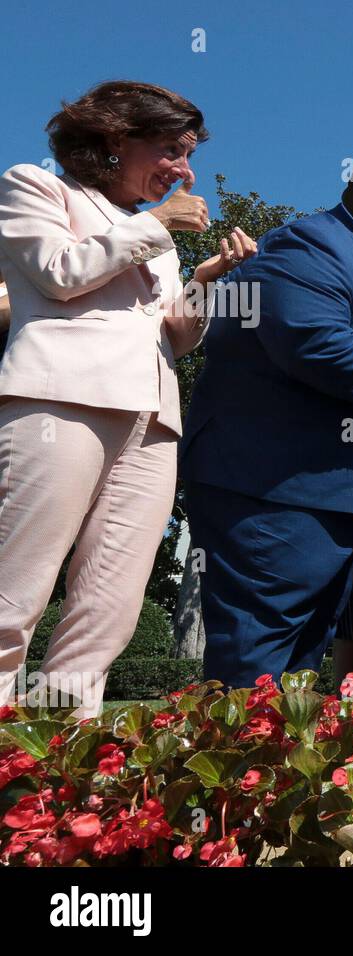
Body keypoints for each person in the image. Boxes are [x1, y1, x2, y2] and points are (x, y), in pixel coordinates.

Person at [0, 81, 252, 713]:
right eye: (170, 149)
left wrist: (203, 283)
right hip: (60, 403)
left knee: (107, 610)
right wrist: (155, 226)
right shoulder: (37, 185)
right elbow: (59, 274)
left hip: (153, 423)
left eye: (187, 155)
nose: (184, 170)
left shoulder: (152, 233)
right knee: (16, 591)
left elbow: (177, 334)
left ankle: (58, 762)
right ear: (115, 138)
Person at [181, 146, 353, 689]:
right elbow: (313, 342)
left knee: (300, 661)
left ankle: (275, 772)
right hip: (279, 490)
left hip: (332, 495)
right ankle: (232, 769)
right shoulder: (310, 245)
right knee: (255, 660)